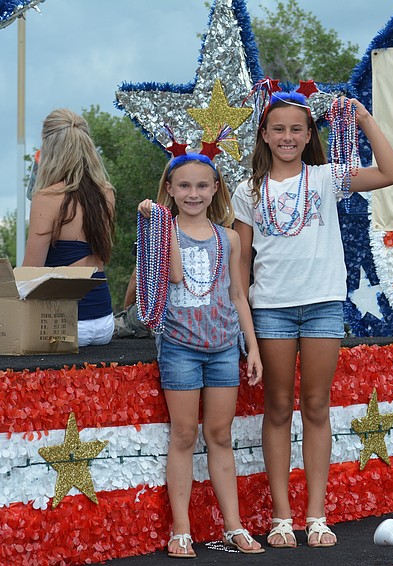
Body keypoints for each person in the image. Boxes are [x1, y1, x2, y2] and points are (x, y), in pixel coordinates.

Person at [231, 91, 393, 548]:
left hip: (323, 303)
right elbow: (240, 263)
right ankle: (282, 518)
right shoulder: (248, 191)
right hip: (271, 308)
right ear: (264, 136)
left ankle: (317, 516)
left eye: (296, 129)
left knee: (316, 406)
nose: (287, 137)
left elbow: (392, 172)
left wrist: (364, 116)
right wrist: (246, 330)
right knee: (278, 407)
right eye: (278, 129)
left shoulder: (327, 177)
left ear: (309, 136)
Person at [137, 153, 264, 558]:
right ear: (170, 190)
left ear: (215, 190)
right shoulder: (163, 231)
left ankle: (234, 526)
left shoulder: (230, 238)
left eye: (202, 186)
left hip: (224, 347)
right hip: (180, 348)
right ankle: (181, 529)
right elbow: (173, 275)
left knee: (220, 435)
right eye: (185, 186)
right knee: (184, 434)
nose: (194, 194)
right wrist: (156, 220)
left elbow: (238, 295)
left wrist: (252, 347)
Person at [22, 108, 116, 346]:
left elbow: (30, 273)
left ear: (49, 150)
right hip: (104, 319)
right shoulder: (106, 192)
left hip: (69, 322)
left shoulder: (47, 197)